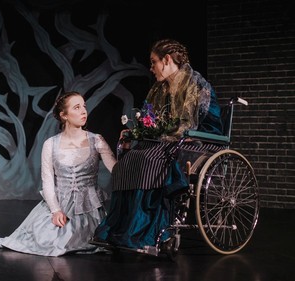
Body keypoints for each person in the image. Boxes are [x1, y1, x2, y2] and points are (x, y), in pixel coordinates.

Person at [91, 39, 223, 250]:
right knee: (129, 160)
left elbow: (188, 124)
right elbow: (149, 118)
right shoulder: (159, 89)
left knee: (148, 160)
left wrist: (159, 133)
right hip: (168, 141)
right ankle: (121, 228)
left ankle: (148, 229)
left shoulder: (195, 84)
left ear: (167, 60)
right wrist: (138, 130)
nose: (151, 68)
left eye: (154, 62)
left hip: (201, 140)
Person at [0, 91, 117, 257]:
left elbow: (116, 171)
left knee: (79, 239)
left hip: (87, 208)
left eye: (84, 106)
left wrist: (125, 150)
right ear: (64, 115)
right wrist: (56, 210)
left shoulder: (96, 140)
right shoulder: (51, 144)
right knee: (45, 239)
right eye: (77, 107)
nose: (84, 111)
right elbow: (48, 182)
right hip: (59, 203)